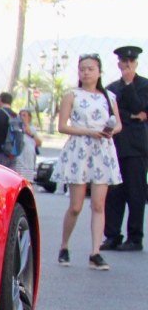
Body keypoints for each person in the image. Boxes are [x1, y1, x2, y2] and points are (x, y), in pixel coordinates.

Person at [55, 53, 122, 270]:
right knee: (75, 206)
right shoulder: (72, 95)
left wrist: (109, 131)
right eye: (82, 68)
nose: (86, 72)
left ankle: (95, 252)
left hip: (102, 150)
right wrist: (88, 131)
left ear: (99, 72)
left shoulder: (109, 97)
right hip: (79, 151)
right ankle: (64, 245)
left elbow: (119, 124)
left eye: (90, 68)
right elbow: (62, 126)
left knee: (99, 204)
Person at [101, 44, 148, 251]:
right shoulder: (111, 88)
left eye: (131, 62)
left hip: (137, 149)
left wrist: (129, 86)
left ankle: (135, 238)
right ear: (119, 63)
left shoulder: (144, 85)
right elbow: (111, 115)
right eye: (124, 62)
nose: (127, 65)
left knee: (135, 193)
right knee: (114, 194)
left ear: (136, 63)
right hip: (115, 147)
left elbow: (140, 107)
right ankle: (112, 236)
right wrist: (132, 117)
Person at [16, 107, 43, 182]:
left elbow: (39, 143)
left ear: (29, 117)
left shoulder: (32, 129)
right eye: (20, 115)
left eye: (24, 115)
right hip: (19, 157)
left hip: (29, 157)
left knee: (28, 179)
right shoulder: (17, 128)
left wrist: (31, 133)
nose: (22, 117)